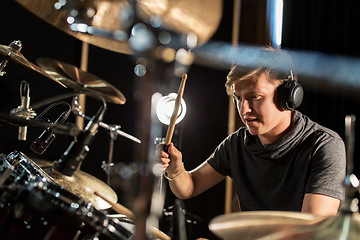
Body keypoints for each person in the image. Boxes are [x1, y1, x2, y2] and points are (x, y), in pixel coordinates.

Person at [157, 48, 346, 216]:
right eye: (238, 98)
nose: (243, 109)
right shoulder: (237, 144)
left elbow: (312, 232)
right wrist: (175, 170)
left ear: (288, 97)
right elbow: (190, 187)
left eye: (254, 97)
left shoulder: (324, 146)